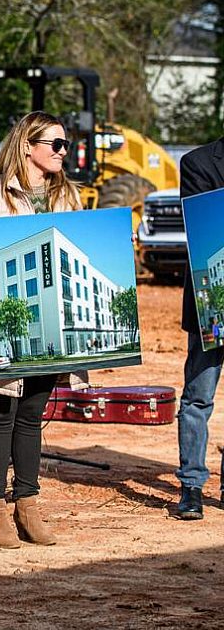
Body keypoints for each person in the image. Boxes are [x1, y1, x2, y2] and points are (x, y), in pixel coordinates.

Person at [0, 111, 87, 548]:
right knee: (2, 414)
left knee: (33, 414)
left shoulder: (68, 195)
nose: (63, 152)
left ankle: (27, 505)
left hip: (49, 324)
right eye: (56, 144)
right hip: (3, 323)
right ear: (28, 145)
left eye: (65, 145)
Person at [176, 138, 224, 519]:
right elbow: (205, 222)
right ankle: (191, 487)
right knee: (198, 396)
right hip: (212, 301)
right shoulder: (197, 162)